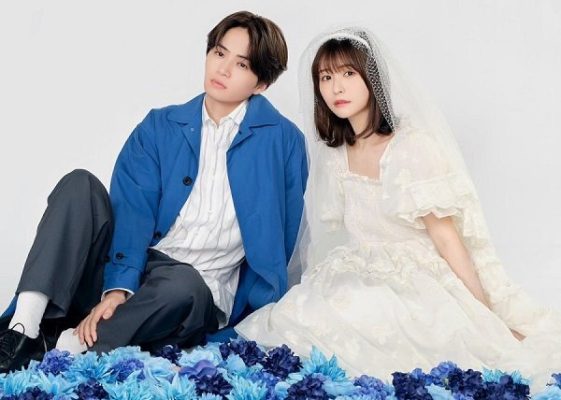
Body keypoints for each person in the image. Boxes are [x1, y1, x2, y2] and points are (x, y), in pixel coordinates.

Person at [235, 27, 561, 391]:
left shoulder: (410, 147)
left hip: (412, 277)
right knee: (304, 317)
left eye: (348, 74)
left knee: (380, 316)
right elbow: (330, 235)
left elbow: (447, 238)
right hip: (355, 269)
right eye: (325, 77)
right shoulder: (336, 154)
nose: (336, 88)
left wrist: (485, 314)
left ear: (371, 78)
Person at [0, 10, 307, 373]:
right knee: (79, 183)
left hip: (188, 294)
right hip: (129, 266)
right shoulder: (160, 125)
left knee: (183, 283)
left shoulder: (284, 142)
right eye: (219, 53)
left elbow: (282, 239)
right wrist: (118, 287)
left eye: (241, 64)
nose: (222, 69)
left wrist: (261, 316)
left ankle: (68, 346)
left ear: (261, 83)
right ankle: (23, 329)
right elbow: (132, 210)